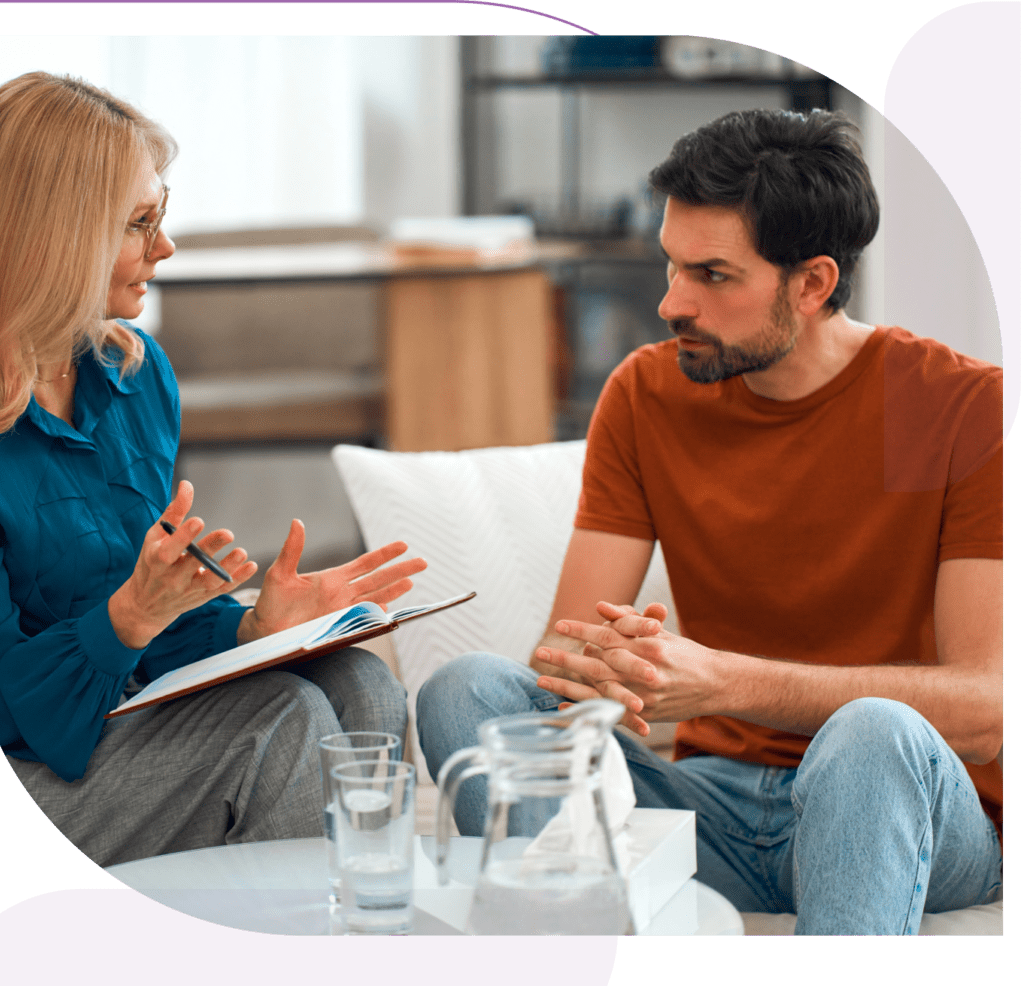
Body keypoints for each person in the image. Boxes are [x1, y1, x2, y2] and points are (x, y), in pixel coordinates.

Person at [417, 108, 1003, 935]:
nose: (669, 303)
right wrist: (608, 674)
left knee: (872, 734)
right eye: (670, 266)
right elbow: (567, 663)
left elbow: (984, 709)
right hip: (709, 806)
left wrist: (721, 680)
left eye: (712, 276)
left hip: (909, 811)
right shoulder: (644, 395)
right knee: (466, 691)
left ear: (811, 284)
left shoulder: (964, 408)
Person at [0, 72, 426, 869]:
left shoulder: (136, 376)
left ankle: (358, 941)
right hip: (24, 759)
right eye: (139, 224)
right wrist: (128, 619)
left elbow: (146, 635)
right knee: (276, 725)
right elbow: (1, 700)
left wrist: (253, 624)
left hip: (109, 711)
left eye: (161, 217)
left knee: (362, 688)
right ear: (54, 234)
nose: (165, 248)